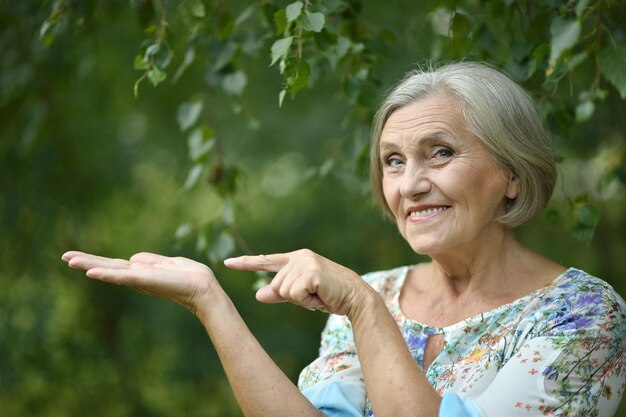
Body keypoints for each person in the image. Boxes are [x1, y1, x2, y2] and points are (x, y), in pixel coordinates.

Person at [62, 61, 626, 417]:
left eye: (441, 152)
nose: (411, 185)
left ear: (513, 174)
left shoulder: (584, 315)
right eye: (393, 161)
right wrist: (209, 301)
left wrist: (362, 305)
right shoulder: (375, 294)